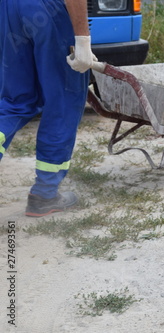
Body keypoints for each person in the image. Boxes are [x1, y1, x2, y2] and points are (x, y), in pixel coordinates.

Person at [0, 0, 95, 217]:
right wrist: (82, 41)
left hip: (8, 9)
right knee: (63, 99)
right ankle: (44, 194)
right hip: (48, 9)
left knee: (15, 101)